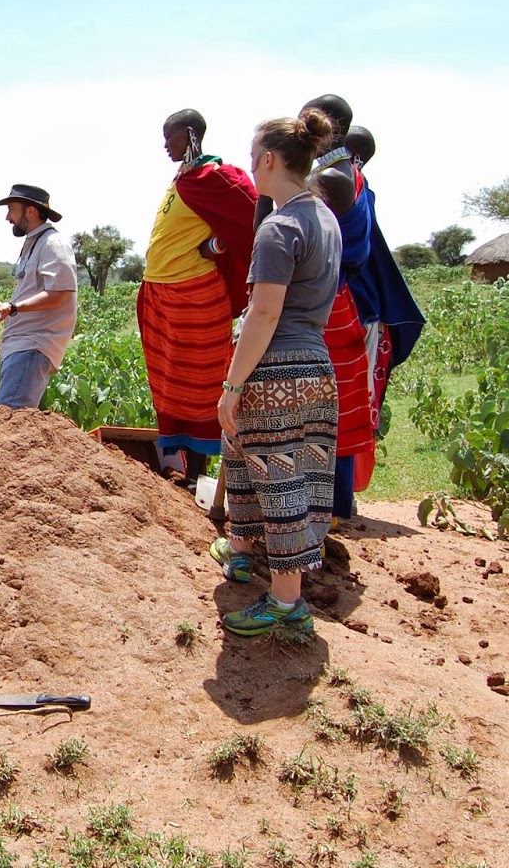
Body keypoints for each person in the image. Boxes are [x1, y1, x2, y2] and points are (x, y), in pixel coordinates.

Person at [210, 111, 342, 636]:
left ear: (268, 159)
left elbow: (264, 313)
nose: (249, 166)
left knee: (280, 477)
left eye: (252, 156)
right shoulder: (323, 218)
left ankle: (287, 603)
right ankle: (240, 551)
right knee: (246, 454)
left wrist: (233, 386)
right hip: (315, 366)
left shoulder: (279, 227)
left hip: (275, 370)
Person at [306, 110, 425, 526]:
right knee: (339, 401)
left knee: (333, 403)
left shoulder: (337, 180)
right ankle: (334, 502)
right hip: (354, 302)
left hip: (344, 304)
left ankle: (331, 503)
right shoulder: (353, 181)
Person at [137, 109, 259, 491]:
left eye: (169, 136)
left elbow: (256, 218)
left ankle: (198, 474)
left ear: (190, 134)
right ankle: (187, 472)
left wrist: (216, 246)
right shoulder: (185, 179)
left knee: (200, 383)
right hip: (163, 294)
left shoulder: (215, 176)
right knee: (172, 381)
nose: (165, 145)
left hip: (194, 295)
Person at [0, 185, 78, 409]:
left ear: (30, 211)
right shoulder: (36, 243)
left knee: (9, 415)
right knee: (11, 416)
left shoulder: (53, 243)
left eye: (11, 209)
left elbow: (58, 294)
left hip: (33, 344)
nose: (8, 217)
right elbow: (34, 292)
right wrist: (2, 306)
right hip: (20, 345)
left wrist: (12, 308)